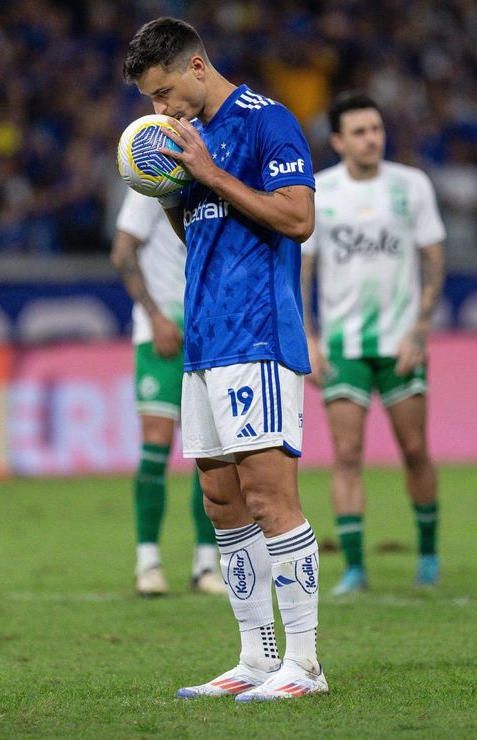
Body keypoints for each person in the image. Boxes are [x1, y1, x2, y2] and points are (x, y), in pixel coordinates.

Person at [123, 17, 326, 700]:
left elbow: (298, 219)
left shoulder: (270, 124)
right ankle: (256, 657)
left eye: (164, 93)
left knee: (271, 496)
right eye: (151, 100)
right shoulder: (186, 140)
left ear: (198, 67)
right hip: (204, 338)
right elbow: (200, 235)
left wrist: (209, 173)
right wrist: (177, 193)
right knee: (221, 500)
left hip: (259, 335)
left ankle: (306, 664)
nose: (160, 111)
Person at [300, 92, 445, 595]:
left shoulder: (412, 186)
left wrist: (421, 328)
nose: (372, 139)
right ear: (338, 140)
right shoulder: (319, 190)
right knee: (346, 454)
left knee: (414, 448)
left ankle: (427, 554)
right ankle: (355, 568)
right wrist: (310, 337)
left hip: (400, 341)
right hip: (343, 346)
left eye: (376, 129)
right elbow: (303, 267)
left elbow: (432, 257)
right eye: (360, 131)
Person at [111, 188, 226, 597]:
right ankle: (148, 562)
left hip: (208, 332)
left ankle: (206, 565)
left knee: (210, 449)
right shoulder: (151, 179)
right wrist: (156, 317)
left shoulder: (214, 176)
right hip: (160, 335)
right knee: (156, 444)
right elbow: (122, 251)